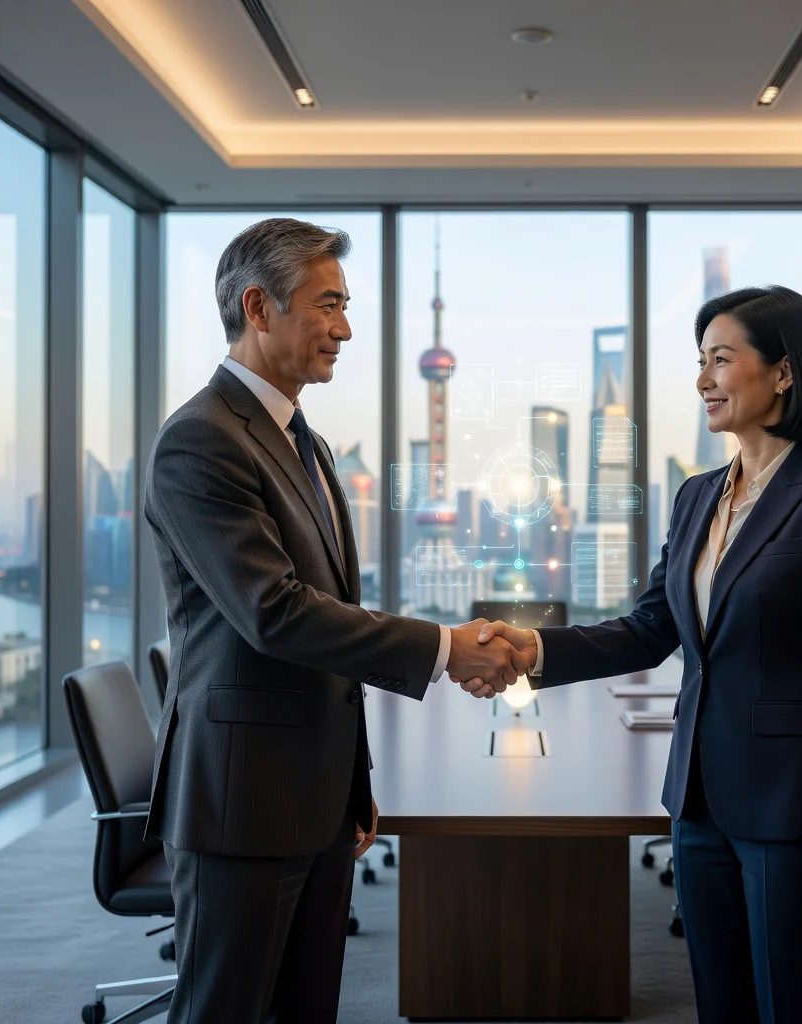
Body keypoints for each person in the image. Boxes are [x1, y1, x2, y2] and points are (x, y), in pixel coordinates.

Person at [468, 286, 802, 1024]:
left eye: (721, 360)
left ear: (784, 372)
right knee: (720, 1003)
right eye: (700, 361)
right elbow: (650, 627)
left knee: (794, 1005)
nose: (702, 380)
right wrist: (533, 647)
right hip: (696, 801)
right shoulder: (697, 496)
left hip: (789, 811)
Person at [144, 217, 521, 1024]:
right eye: (328, 305)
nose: (345, 329)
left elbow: (333, 608)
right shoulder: (201, 440)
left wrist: (352, 781)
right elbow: (274, 611)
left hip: (314, 793)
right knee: (223, 1011)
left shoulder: (302, 440)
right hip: (243, 800)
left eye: (345, 306)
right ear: (259, 307)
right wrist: (446, 648)